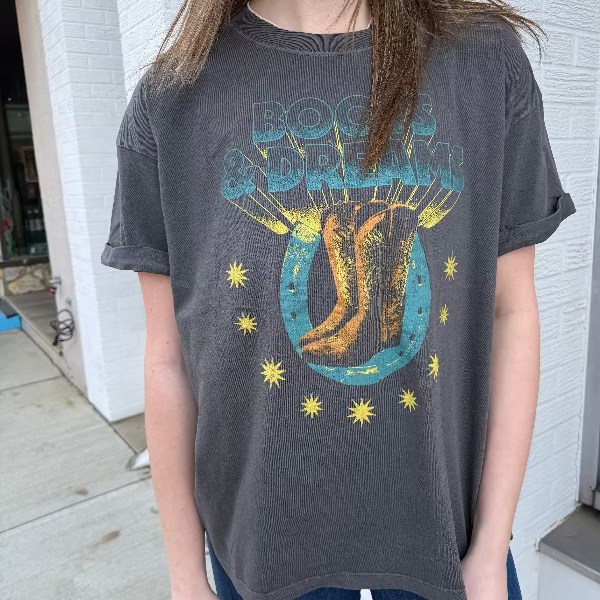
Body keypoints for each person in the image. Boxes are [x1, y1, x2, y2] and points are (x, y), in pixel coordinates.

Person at [101, 1, 576, 599]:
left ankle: (361, 321)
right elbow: (168, 357)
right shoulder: (173, 99)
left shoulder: (481, 61)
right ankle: (350, 318)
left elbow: (511, 312)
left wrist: (489, 546)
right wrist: (185, 577)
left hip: (445, 541)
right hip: (262, 546)